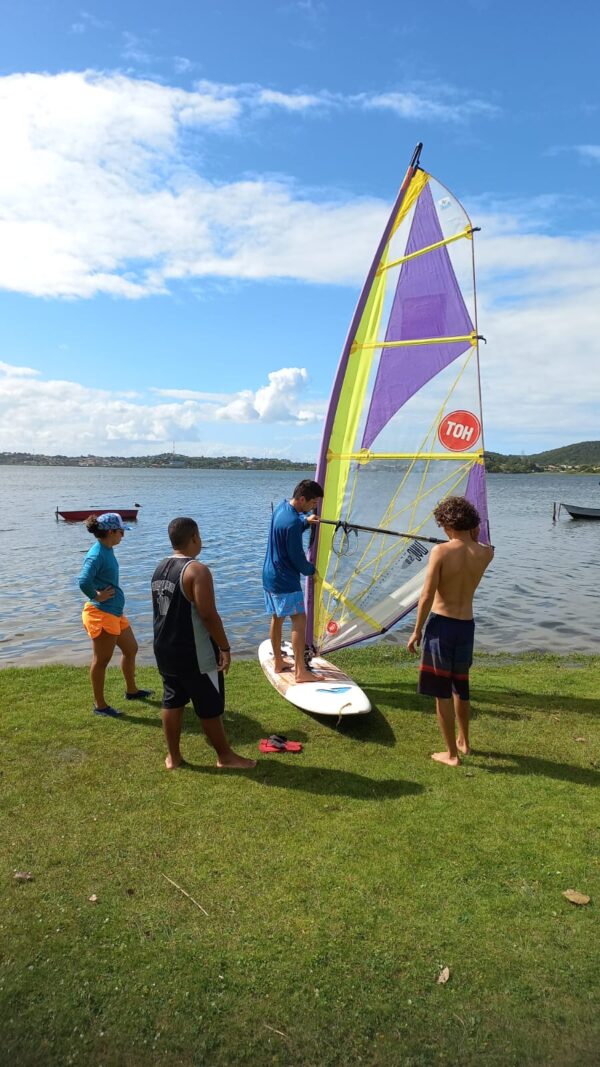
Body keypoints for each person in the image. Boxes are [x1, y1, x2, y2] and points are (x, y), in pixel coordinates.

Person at [151, 516, 256, 771]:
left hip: (164, 647)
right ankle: (225, 756)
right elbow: (208, 614)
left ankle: (173, 758)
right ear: (195, 538)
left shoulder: (160, 566)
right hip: (194, 652)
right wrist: (225, 647)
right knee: (209, 705)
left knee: (172, 700)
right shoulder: (197, 570)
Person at [407, 496, 494, 767]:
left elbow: (426, 596)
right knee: (460, 687)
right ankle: (464, 742)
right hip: (466, 627)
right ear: (471, 523)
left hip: (442, 626)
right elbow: (479, 543)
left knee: (441, 691)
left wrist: (417, 630)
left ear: (447, 524)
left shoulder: (441, 552)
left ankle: (451, 755)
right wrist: (474, 535)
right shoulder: (486, 553)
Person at [78, 512, 152, 717]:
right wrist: (96, 595)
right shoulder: (97, 554)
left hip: (114, 613)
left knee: (131, 649)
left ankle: (132, 691)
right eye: (121, 532)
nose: (123, 536)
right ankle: (100, 705)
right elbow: (83, 580)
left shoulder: (107, 549)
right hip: (101, 614)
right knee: (101, 660)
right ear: (111, 531)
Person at [262, 478, 325, 683]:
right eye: (313, 503)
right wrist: (311, 570)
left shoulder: (282, 508)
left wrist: (305, 521)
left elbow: (290, 527)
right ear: (303, 498)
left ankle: (279, 661)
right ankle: (301, 671)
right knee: (299, 620)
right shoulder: (291, 523)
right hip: (284, 579)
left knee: (277, 618)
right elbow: (297, 556)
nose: (313, 507)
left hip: (269, 575)